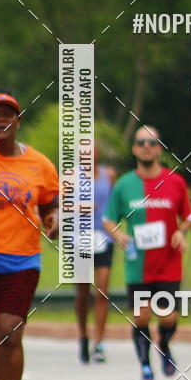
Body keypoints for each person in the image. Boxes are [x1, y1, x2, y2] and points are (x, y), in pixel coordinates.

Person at [0, 89, 59, 380]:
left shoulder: (40, 164)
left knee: (8, 331)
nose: (1, 119)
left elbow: (51, 202)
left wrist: (54, 218)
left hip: (20, 260)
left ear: (18, 121)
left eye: (8, 114)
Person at [102, 125, 191, 380]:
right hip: (138, 264)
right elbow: (108, 220)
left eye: (152, 143)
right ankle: (145, 366)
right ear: (134, 148)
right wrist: (118, 235)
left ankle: (164, 344)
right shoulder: (124, 185)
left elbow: (187, 217)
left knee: (168, 317)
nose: (146, 146)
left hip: (168, 263)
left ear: (159, 149)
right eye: (141, 142)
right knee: (141, 317)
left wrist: (181, 232)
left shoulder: (175, 181)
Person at [75, 143, 115, 364]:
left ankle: (98, 342)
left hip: (103, 237)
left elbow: (112, 203)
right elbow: (61, 204)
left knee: (102, 292)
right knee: (82, 293)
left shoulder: (108, 176)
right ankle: (82, 335)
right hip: (80, 238)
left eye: (92, 151)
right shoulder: (71, 177)